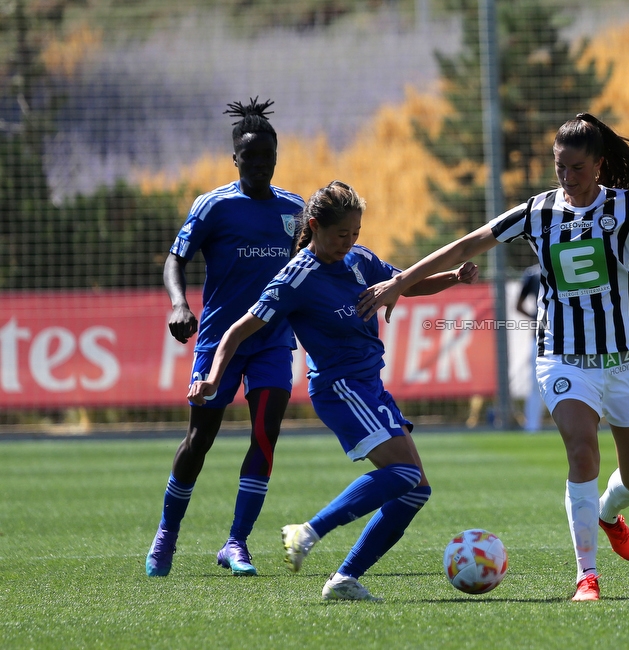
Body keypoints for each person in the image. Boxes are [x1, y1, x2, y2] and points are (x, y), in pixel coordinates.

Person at [358, 113, 629, 601]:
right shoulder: (537, 211)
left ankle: (607, 513)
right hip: (562, 357)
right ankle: (587, 576)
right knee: (582, 449)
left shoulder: (626, 207)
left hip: (626, 360)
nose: (567, 177)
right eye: (560, 166)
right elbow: (466, 243)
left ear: (599, 166)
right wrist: (400, 281)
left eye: (577, 167)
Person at [188, 181, 478, 601]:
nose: (350, 241)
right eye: (342, 234)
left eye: (356, 232)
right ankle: (307, 532)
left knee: (417, 490)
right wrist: (214, 378)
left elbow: (404, 284)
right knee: (404, 474)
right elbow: (236, 331)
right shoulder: (295, 277)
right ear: (315, 226)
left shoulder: (359, 260)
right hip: (340, 387)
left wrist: (452, 277)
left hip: (369, 385)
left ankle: (344, 579)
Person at [146, 97, 306, 577]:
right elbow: (175, 258)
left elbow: (311, 270)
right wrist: (179, 303)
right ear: (234, 158)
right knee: (201, 438)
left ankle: (236, 543)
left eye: (267, 158)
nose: (259, 165)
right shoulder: (213, 206)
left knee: (265, 435)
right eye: (249, 157)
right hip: (219, 342)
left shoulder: (296, 211)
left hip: (273, 340)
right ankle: (167, 534)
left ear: (276, 159)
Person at [514, 264, 544, 432]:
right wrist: (535, 317)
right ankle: (532, 427)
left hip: (571, 337)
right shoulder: (533, 273)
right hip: (540, 337)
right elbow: (518, 304)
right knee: (535, 383)